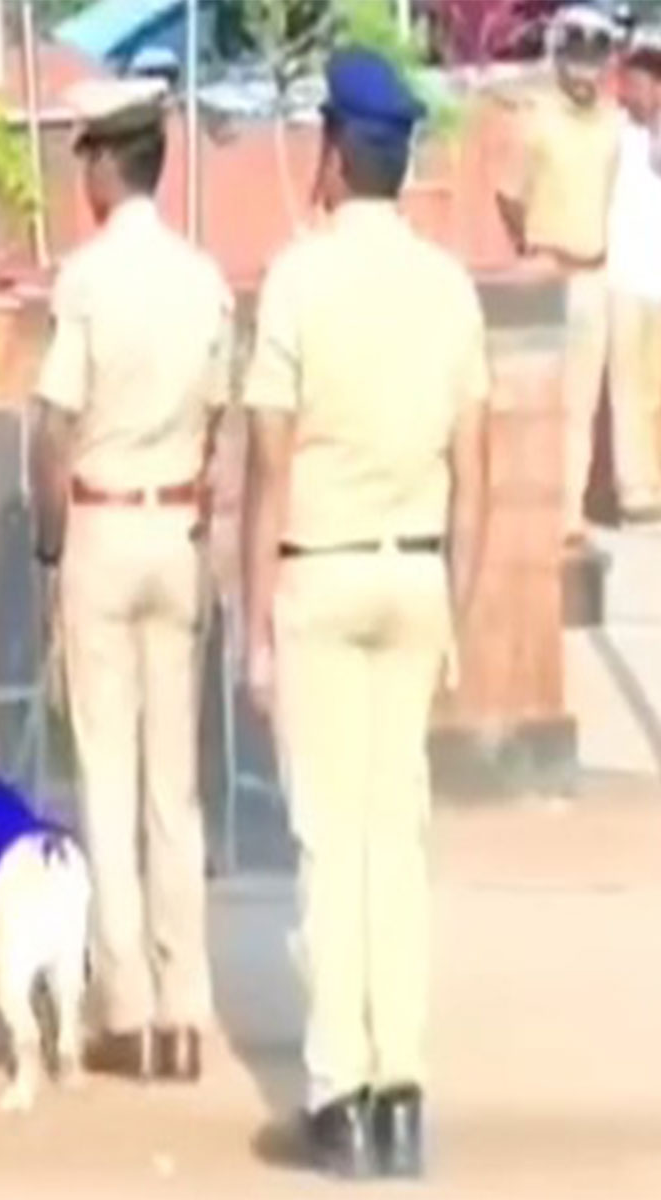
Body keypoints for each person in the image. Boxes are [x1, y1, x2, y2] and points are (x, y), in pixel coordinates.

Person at [243, 47, 489, 1181]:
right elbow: (476, 469)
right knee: (398, 837)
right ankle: (403, 1084)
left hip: (322, 570)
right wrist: (460, 610)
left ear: (334, 153)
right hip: (415, 573)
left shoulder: (298, 279)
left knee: (327, 840)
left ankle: (341, 1086)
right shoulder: (448, 286)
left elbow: (267, 463)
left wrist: (252, 620)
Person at [29, 79, 232, 1086]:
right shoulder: (203, 279)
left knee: (106, 779)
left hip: (104, 526)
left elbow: (54, 424)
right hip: (181, 522)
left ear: (106, 167)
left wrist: (47, 547)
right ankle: (185, 1004)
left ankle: (126, 1008)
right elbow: (226, 414)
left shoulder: (87, 280)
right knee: (175, 790)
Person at [495, 4, 622, 544]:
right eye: (576, 51)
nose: (585, 64)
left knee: (581, 403)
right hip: (547, 269)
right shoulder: (535, 119)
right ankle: (532, 515)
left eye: (595, 52)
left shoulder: (613, 125)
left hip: (594, 273)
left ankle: (567, 519)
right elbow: (508, 195)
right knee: (535, 399)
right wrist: (530, 246)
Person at [607, 33, 661, 522]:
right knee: (630, 389)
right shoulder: (615, 134)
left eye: (656, 78)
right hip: (625, 276)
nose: (648, 87)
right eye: (641, 77)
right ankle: (637, 490)